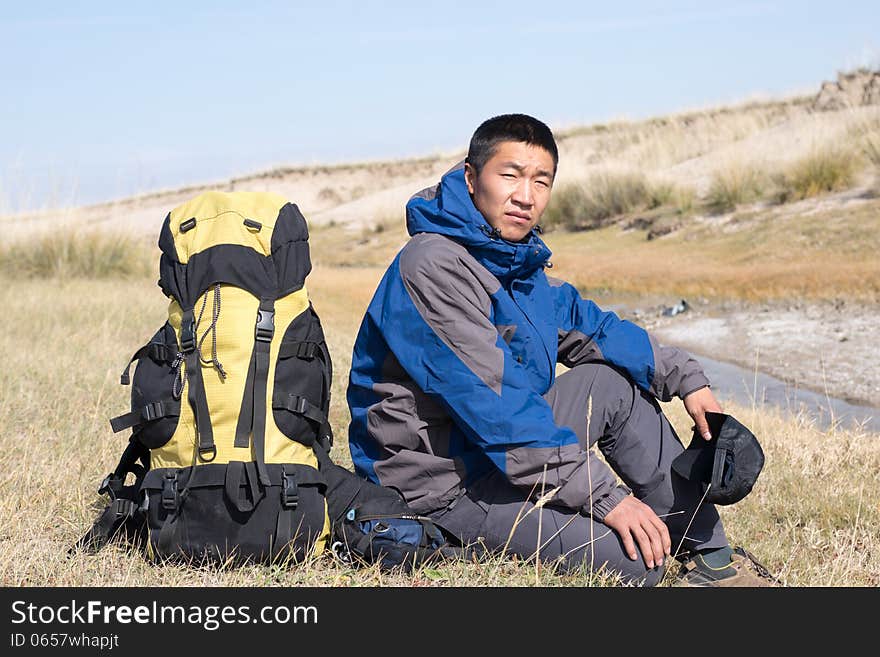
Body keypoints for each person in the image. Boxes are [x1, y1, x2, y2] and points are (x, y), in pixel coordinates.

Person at [346, 113, 774, 586]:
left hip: (496, 457)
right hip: (443, 487)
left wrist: (689, 380)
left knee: (612, 384)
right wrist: (607, 497)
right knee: (638, 563)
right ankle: (647, 546)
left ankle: (711, 557)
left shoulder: (514, 262)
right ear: (471, 178)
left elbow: (597, 330)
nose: (525, 196)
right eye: (509, 175)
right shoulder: (431, 266)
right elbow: (499, 411)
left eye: (541, 182)